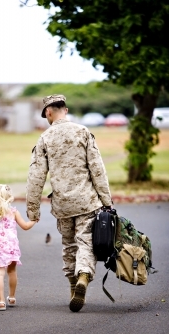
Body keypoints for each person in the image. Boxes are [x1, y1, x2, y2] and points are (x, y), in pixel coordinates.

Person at [26, 94, 113, 312]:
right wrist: (107, 201)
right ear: (65, 109)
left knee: (69, 245)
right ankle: (84, 275)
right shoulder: (83, 132)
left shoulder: (45, 138)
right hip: (87, 202)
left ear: (48, 112)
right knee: (85, 242)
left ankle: (73, 287)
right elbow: (97, 169)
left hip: (63, 205)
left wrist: (33, 209)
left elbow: (36, 177)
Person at [0, 184, 37, 311]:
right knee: (12, 271)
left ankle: (1, 301)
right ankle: (12, 297)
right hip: (12, 247)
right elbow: (25, 226)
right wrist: (34, 220)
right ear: (9, 198)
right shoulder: (14, 212)